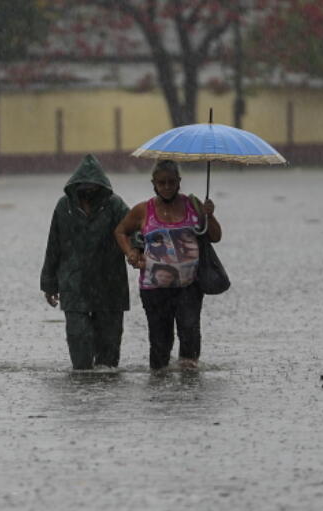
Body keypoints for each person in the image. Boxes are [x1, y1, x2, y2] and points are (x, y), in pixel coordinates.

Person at [114, 159, 222, 370]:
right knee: (159, 341)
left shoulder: (194, 206)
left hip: (189, 285)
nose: (167, 187)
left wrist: (210, 215)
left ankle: (189, 384)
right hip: (154, 288)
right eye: (161, 183)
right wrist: (130, 253)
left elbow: (215, 237)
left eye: (171, 182)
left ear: (179, 182)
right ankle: (160, 387)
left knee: (189, 332)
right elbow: (120, 231)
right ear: (153, 183)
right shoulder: (143, 210)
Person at [40, 154, 131, 370]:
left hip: (109, 286)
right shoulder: (64, 207)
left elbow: (132, 229)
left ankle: (104, 390)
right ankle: (82, 386)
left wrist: (138, 251)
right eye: (84, 186)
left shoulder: (115, 205)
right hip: (74, 285)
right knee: (79, 347)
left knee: (108, 359)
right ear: (75, 185)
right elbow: (54, 245)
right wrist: (49, 284)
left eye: (93, 187)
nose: (89, 191)